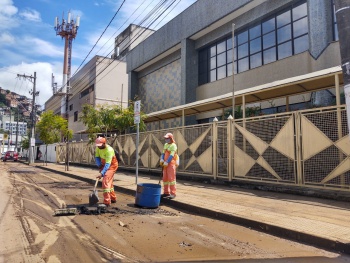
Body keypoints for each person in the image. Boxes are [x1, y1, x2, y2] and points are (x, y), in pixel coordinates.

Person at [95, 137, 119, 206]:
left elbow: (108, 164)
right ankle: (113, 198)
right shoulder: (98, 148)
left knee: (105, 180)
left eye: (100, 145)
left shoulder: (109, 150)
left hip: (112, 166)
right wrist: (99, 165)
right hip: (104, 164)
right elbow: (97, 157)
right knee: (109, 183)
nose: (98, 147)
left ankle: (107, 201)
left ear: (104, 143)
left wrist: (102, 173)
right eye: (98, 146)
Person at [159, 133, 179, 199]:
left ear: (171, 138)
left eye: (167, 138)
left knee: (171, 179)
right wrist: (162, 159)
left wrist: (167, 161)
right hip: (165, 164)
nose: (166, 139)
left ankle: (173, 193)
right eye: (165, 138)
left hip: (171, 164)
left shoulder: (173, 145)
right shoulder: (166, 145)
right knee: (165, 179)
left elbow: (172, 155)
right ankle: (166, 192)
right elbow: (163, 153)